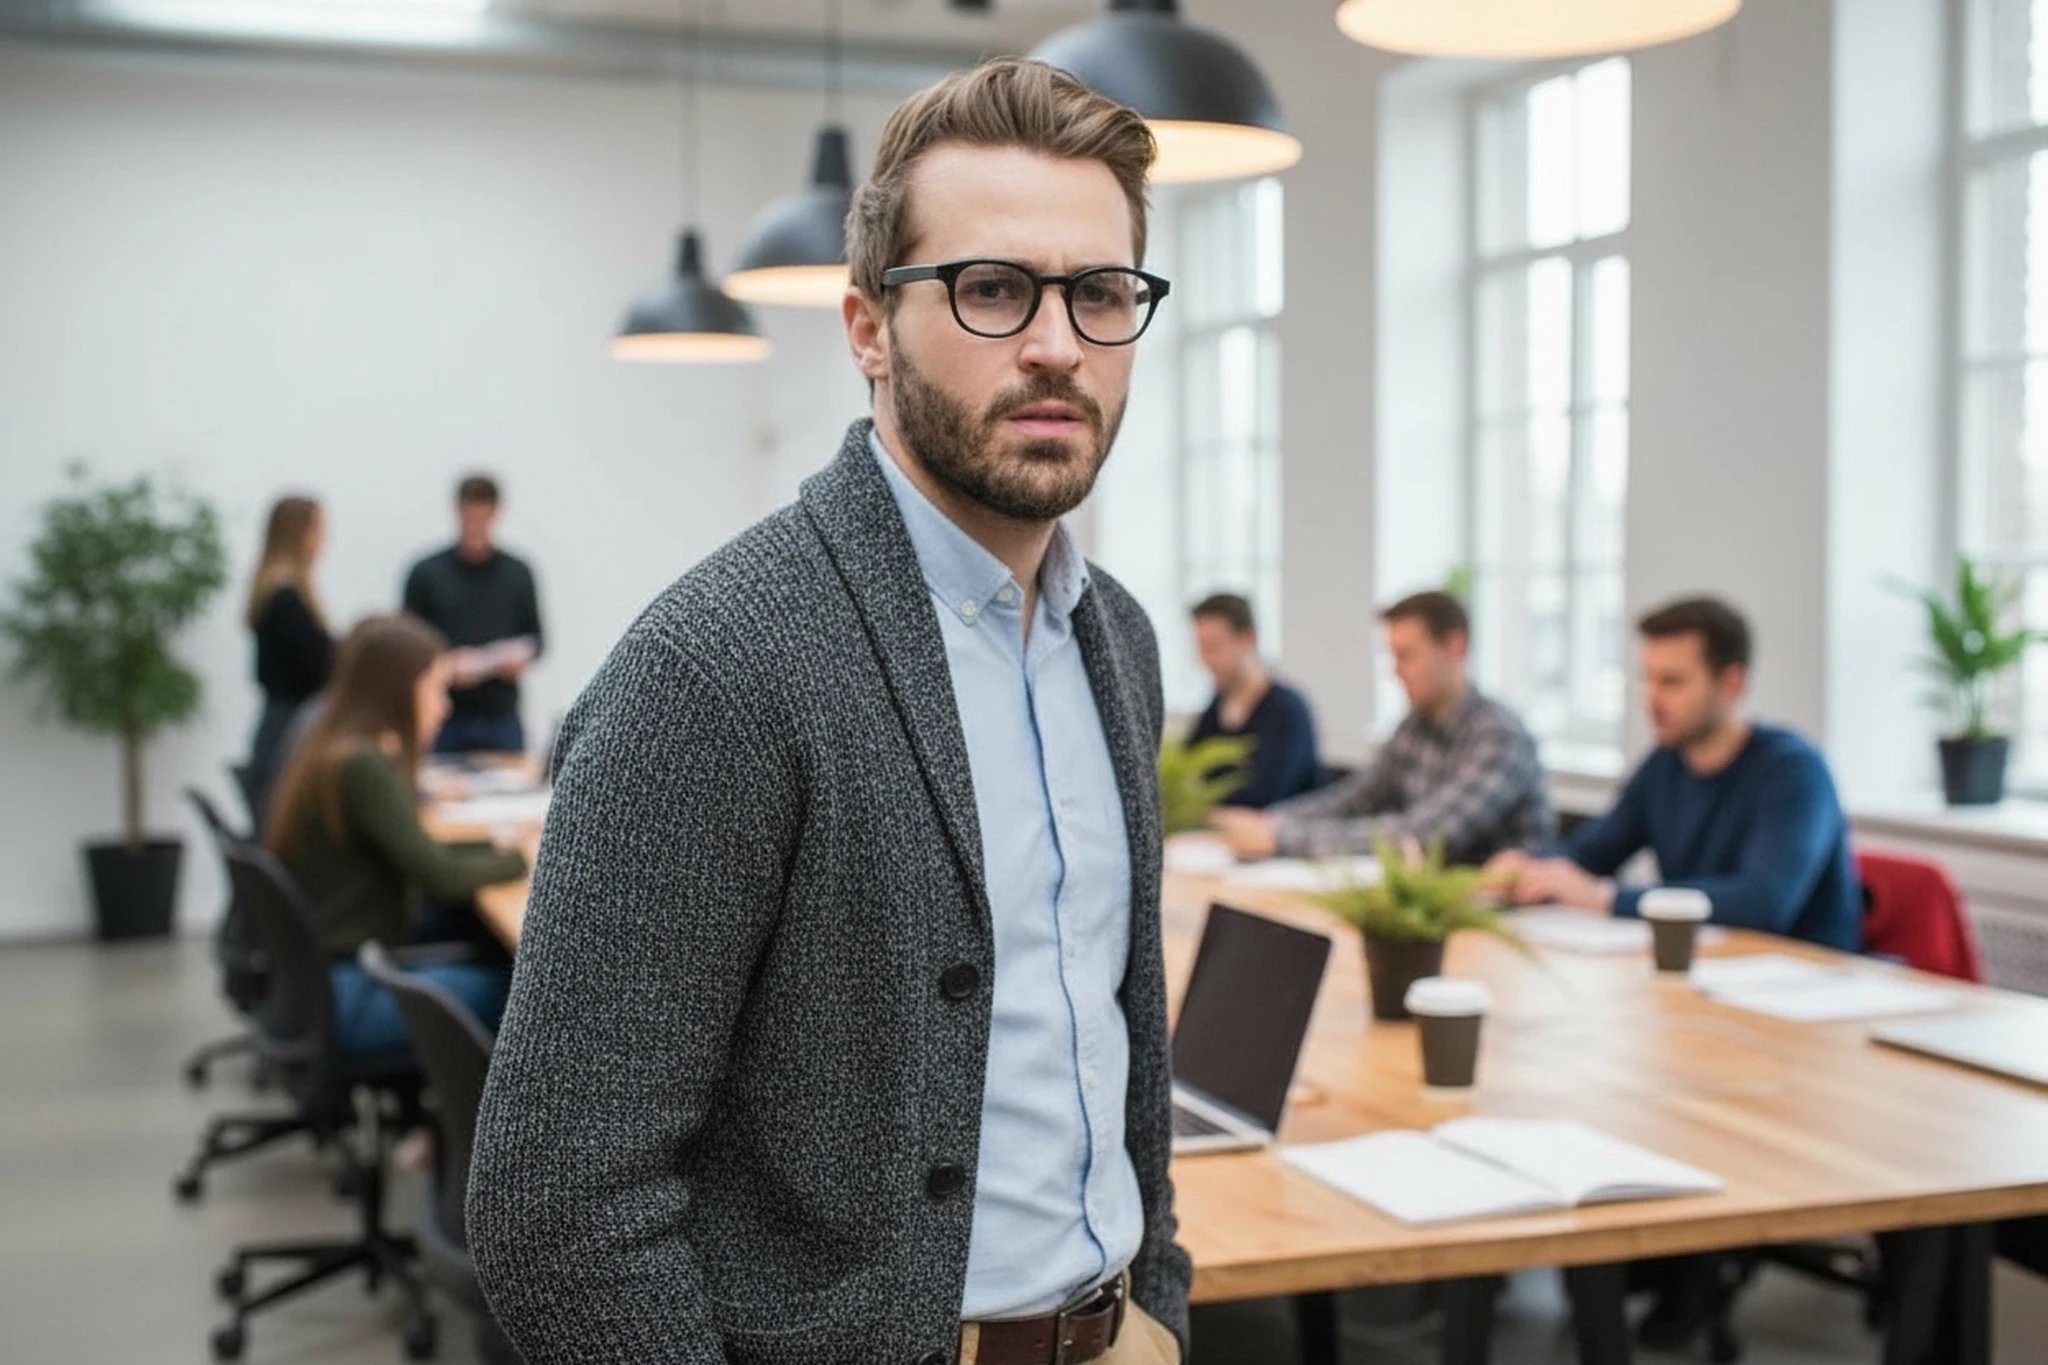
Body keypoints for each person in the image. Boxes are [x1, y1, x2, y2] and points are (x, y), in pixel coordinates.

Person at [468, 59, 1189, 1365]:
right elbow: (559, 1205)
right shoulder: (718, 671)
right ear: (866, 327)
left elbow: (1113, 1036)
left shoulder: (1115, 640)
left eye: (1098, 293)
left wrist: (1159, 1307)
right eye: (990, 289)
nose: (1054, 344)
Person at [1489, 596, 1860, 951]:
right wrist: (1530, 868)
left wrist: (1606, 897)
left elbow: (1763, 901)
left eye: (1672, 682)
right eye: (1647, 679)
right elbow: (1592, 852)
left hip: (1801, 984)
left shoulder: (1795, 771)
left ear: (1731, 684)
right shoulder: (1665, 764)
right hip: (1705, 973)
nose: (1652, 699)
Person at [265, 614, 530, 1062]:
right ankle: (459, 1132)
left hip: (324, 984)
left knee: (487, 945)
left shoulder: (336, 747)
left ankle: (440, 1127)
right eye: (436, 689)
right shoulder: (362, 766)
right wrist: (522, 858)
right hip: (349, 994)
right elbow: (438, 875)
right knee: (524, 994)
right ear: (400, 691)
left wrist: (499, 847)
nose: (444, 707)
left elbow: (420, 851)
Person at [1213, 590, 1551, 865]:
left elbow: (1426, 836)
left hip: (1497, 922)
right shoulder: (1416, 725)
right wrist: (1272, 821)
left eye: (1407, 655)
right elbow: (1358, 798)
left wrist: (1281, 839)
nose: (1396, 671)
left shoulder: (1499, 736)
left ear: (1455, 646)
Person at [401, 475, 543, 755]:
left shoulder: (517, 572)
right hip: (443, 716)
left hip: (500, 716)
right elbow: (405, 646)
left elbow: (537, 639)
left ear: (495, 513)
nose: (476, 528)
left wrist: (518, 658)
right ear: (457, 511)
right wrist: (445, 665)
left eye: (483, 518)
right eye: (470, 519)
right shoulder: (426, 573)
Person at [1183, 593, 1320, 808]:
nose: (1206, 660)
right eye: (1201, 648)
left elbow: (1266, 797)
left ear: (1248, 639)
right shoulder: (1215, 708)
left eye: (1214, 647)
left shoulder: (1288, 709)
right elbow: (1186, 767)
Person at [245, 496, 335, 812]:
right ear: (300, 534)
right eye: (319, 530)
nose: (324, 540)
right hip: (290, 731)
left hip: (280, 723)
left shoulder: (274, 592)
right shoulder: (286, 600)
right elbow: (314, 667)